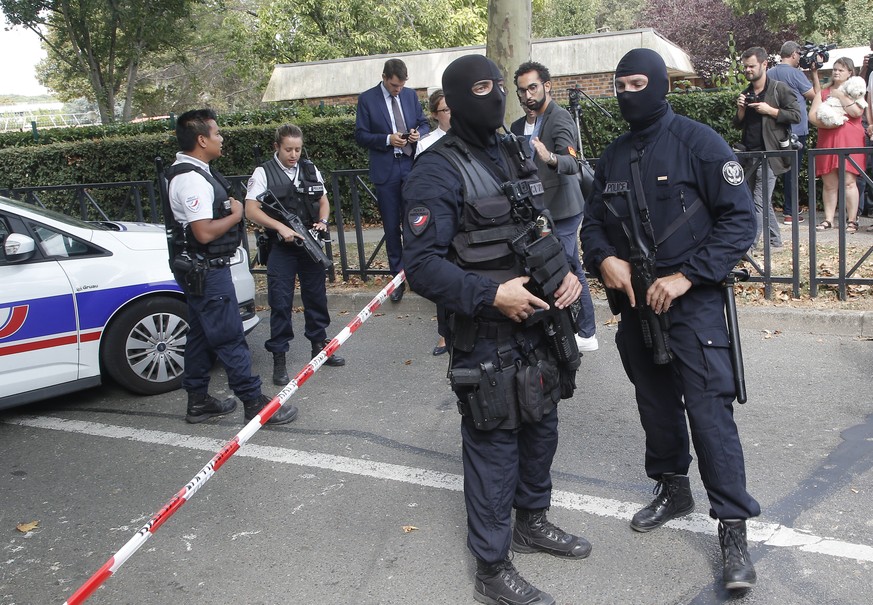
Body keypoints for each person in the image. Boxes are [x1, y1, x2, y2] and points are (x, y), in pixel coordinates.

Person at [402, 54, 591, 605]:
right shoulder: (435, 170)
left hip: (540, 322)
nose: (493, 97)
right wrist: (491, 294)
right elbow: (422, 266)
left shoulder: (512, 149)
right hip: (486, 332)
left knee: (542, 427)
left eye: (497, 87)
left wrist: (568, 277)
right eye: (480, 88)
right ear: (458, 98)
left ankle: (531, 522)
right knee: (494, 445)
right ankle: (491, 566)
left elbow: (539, 225)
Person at [580, 49, 760, 590]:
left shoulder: (699, 143)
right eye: (619, 85)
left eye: (638, 83)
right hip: (637, 303)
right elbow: (592, 227)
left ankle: (732, 530)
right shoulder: (611, 157)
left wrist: (687, 276)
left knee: (709, 415)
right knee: (655, 403)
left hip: (692, 302)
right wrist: (603, 259)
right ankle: (672, 487)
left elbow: (739, 221)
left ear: (660, 85)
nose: (627, 93)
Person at [167, 109, 297, 425]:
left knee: (199, 335)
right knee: (229, 337)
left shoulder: (192, 172)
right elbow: (203, 231)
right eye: (217, 133)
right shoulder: (191, 179)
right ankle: (254, 403)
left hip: (201, 270)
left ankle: (198, 400)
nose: (222, 138)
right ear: (201, 139)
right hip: (207, 271)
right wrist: (236, 216)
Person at [245, 124, 346, 386]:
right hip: (281, 247)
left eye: (298, 149)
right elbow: (251, 209)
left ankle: (319, 349)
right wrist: (280, 227)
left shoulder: (310, 168)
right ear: (276, 147)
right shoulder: (263, 172)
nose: (294, 154)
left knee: (316, 298)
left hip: (310, 243)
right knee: (280, 302)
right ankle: (279, 357)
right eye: (288, 149)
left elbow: (323, 200)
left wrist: (323, 220)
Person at [510, 61, 598, 352]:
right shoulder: (515, 126)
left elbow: (572, 162)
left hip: (564, 208)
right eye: (521, 91)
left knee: (569, 266)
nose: (527, 95)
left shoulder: (559, 119)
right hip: (535, 211)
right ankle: (565, 326)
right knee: (557, 268)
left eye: (532, 87)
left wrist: (550, 158)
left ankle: (586, 332)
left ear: (547, 86)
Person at [355, 58, 430, 303]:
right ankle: (397, 279)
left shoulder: (409, 96)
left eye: (401, 85)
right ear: (385, 77)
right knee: (391, 226)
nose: (398, 89)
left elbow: (424, 122)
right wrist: (388, 139)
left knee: (414, 223)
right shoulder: (367, 99)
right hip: (386, 170)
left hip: (410, 166)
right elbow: (361, 135)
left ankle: (417, 275)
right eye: (395, 85)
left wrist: (419, 134)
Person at [733, 46, 801, 250]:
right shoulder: (746, 93)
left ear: (764, 64)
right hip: (750, 154)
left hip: (771, 155)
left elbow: (796, 115)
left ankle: (750, 245)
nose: (747, 70)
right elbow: (737, 124)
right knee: (761, 200)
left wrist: (770, 110)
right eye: (745, 67)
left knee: (758, 201)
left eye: (751, 66)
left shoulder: (778, 89)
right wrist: (740, 109)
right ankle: (775, 240)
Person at [809, 57, 866, 234]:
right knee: (829, 183)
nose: (836, 72)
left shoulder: (855, 91)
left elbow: (856, 112)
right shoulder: (823, 93)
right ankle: (828, 219)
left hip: (850, 140)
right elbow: (812, 116)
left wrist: (840, 95)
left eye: (841, 69)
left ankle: (852, 220)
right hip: (828, 139)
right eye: (834, 69)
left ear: (850, 72)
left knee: (849, 182)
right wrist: (829, 124)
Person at [414, 89, 451, 356]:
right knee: (445, 273)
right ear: (435, 115)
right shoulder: (427, 143)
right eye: (445, 110)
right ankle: (444, 334)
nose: (451, 114)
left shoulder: (469, 138)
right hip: (440, 217)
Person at [767, 41, 816, 224]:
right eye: (799, 55)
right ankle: (790, 212)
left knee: (772, 170)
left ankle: (767, 210)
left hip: (774, 129)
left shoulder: (769, 73)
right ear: (794, 54)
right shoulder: (796, 74)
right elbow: (814, 95)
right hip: (796, 129)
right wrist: (813, 74)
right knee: (791, 171)